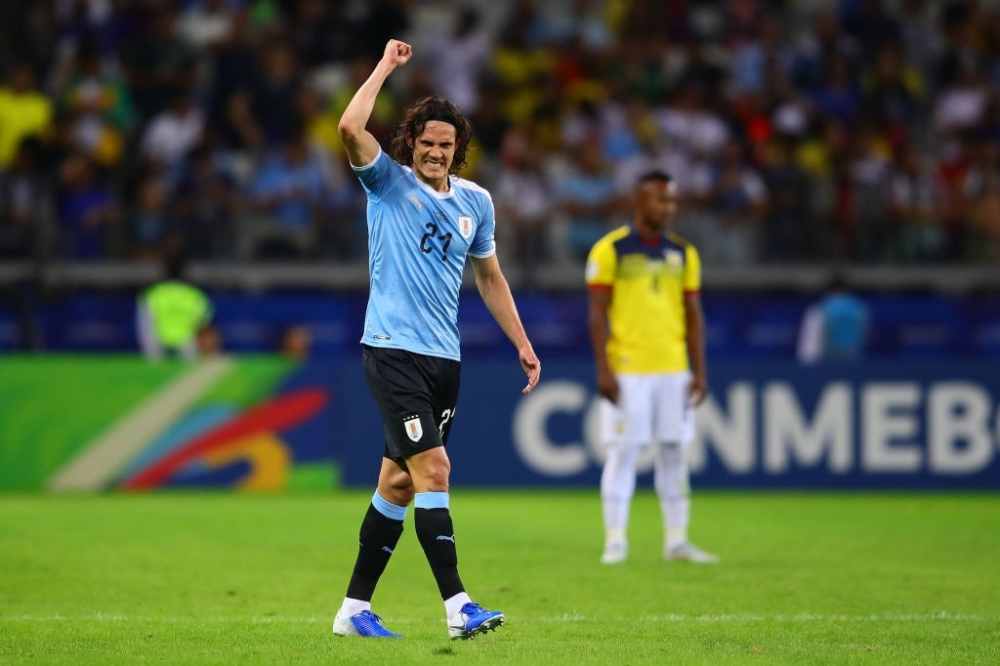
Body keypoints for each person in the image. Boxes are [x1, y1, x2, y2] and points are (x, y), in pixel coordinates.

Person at [332, 39, 541, 640]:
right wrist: (386, 67)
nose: (435, 153)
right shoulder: (388, 185)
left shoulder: (477, 203)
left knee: (397, 482)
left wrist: (521, 343)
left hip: (443, 359)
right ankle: (459, 606)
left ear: (458, 151)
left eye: (446, 146)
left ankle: (353, 610)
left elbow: (490, 277)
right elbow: (349, 125)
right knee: (435, 470)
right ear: (411, 145)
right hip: (392, 349)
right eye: (426, 144)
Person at [586, 171, 718, 565]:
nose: (667, 207)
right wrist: (604, 369)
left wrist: (699, 370)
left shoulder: (683, 253)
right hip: (628, 368)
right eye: (660, 199)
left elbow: (694, 315)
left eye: (672, 201)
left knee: (675, 452)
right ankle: (615, 540)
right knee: (624, 452)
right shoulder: (611, 250)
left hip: (674, 369)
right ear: (639, 201)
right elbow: (596, 314)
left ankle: (677, 540)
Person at [797, 274, 870, 364]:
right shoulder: (860, 309)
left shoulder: (821, 308)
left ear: (829, 291)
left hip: (827, 363)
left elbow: (810, 344)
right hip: (853, 361)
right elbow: (866, 334)